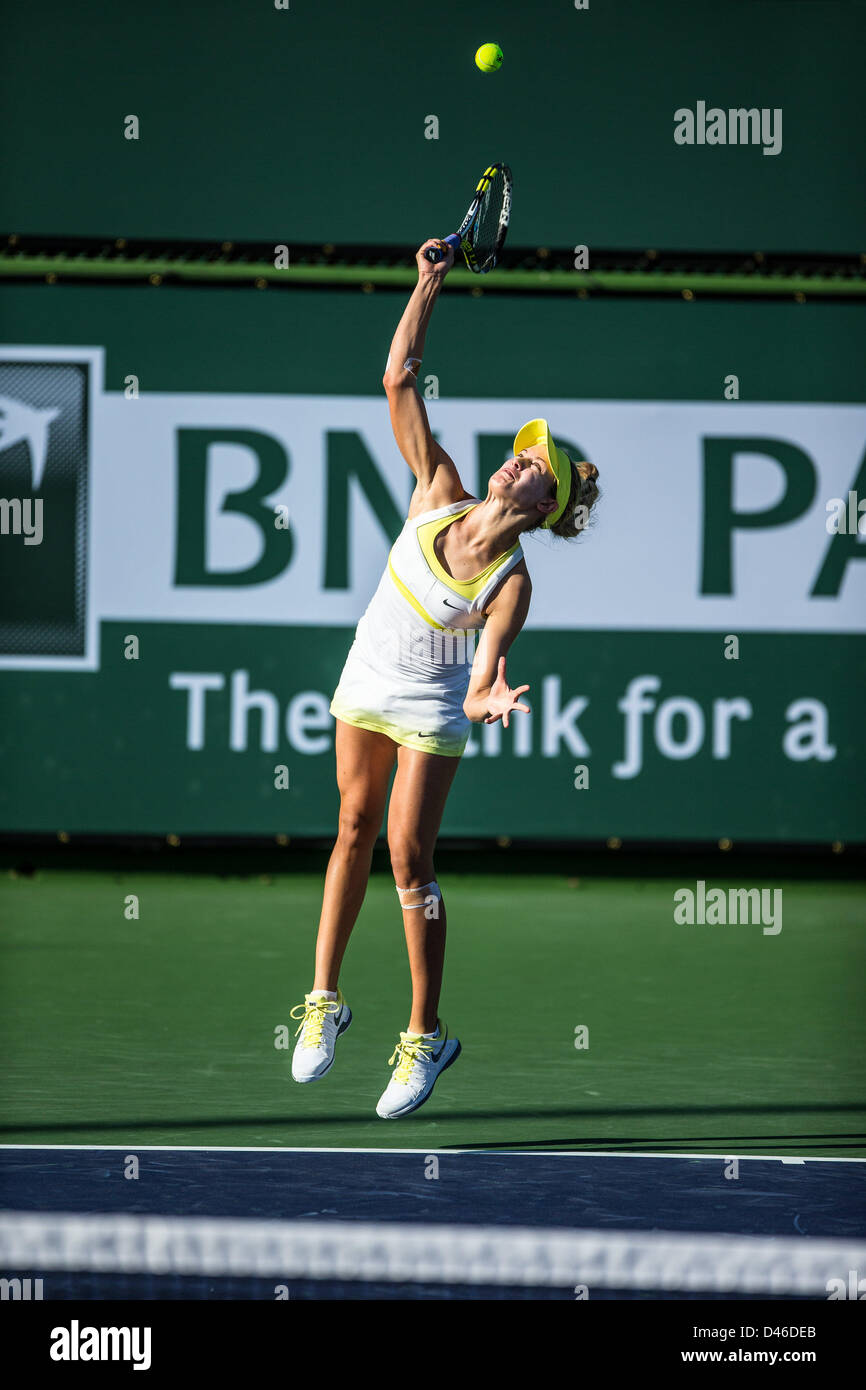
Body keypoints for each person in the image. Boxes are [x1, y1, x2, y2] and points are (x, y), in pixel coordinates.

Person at [290, 238, 600, 1118]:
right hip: (369, 673)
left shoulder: (514, 584)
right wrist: (428, 285)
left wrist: (489, 697)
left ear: (545, 509)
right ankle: (324, 1002)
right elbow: (398, 381)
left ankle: (425, 1035)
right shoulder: (439, 486)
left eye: (539, 469)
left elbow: (476, 685)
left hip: (431, 701)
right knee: (351, 828)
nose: (521, 462)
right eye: (524, 453)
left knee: (406, 857)